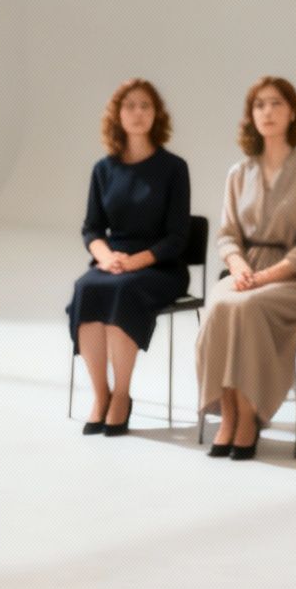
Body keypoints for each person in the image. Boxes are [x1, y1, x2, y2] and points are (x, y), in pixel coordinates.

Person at [198, 77, 296, 461]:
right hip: (245, 270)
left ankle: (249, 414)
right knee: (220, 305)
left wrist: (263, 279)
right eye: (259, 105)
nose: (267, 112)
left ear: (292, 112)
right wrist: (239, 267)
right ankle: (227, 411)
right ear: (250, 115)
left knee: (245, 306)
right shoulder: (238, 173)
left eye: (276, 103)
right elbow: (226, 236)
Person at [70, 79, 192, 437]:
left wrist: (134, 262)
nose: (138, 113)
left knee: (122, 291)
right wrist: (107, 258)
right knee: (86, 289)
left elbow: (177, 237)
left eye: (145, 106)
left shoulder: (174, 168)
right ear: (117, 115)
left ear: (157, 115)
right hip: (113, 262)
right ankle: (100, 394)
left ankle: (122, 395)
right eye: (130, 106)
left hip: (160, 265)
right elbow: (91, 229)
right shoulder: (103, 169)